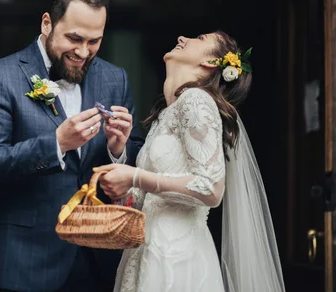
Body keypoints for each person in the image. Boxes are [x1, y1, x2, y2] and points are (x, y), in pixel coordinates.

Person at [0, 0, 145, 292]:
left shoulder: (115, 78)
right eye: (74, 38)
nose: (84, 51)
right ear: (47, 23)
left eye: (94, 41)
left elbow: (138, 158)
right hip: (24, 262)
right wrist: (57, 144)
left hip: (99, 261)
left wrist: (120, 150)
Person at [94, 31, 286, 292]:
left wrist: (134, 176)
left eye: (201, 38)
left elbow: (211, 188)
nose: (183, 37)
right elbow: (142, 200)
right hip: (145, 252)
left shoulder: (196, 100)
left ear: (209, 63)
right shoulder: (167, 113)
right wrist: (119, 152)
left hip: (177, 256)